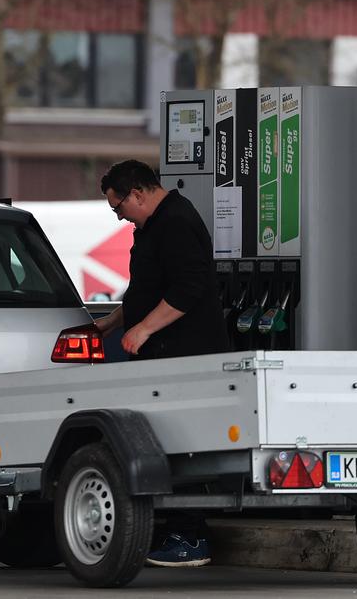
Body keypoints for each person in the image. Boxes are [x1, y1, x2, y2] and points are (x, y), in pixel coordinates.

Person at [94, 159, 229, 567]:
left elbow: (189, 288)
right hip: (161, 353)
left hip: (183, 353)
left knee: (179, 443)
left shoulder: (176, 222)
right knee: (159, 442)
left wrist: (143, 330)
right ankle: (174, 531)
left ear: (137, 193)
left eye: (119, 208)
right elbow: (147, 289)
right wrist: (114, 322)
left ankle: (190, 537)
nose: (119, 217)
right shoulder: (152, 226)